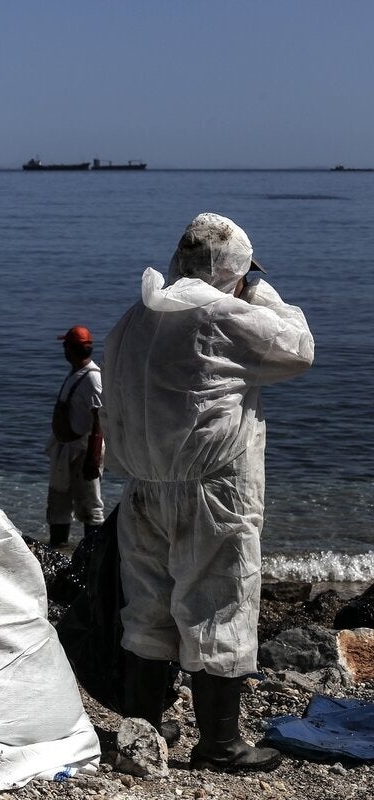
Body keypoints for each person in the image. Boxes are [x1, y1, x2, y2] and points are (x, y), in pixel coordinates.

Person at [102, 212, 314, 772]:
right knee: (222, 605)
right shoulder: (225, 315)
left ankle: (144, 731)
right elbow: (299, 349)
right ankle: (220, 744)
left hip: (144, 488)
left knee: (148, 608)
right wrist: (260, 292)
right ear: (234, 273)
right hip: (212, 490)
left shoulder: (136, 316)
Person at [46, 325, 104, 547]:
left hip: (83, 451)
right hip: (67, 450)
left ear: (70, 349)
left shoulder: (92, 378)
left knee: (90, 504)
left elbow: (99, 418)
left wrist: (93, 458)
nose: (64, 349)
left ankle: (93, 552)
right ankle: (58, 549)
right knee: (58, 501)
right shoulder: (77, 373)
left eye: (65, 345)